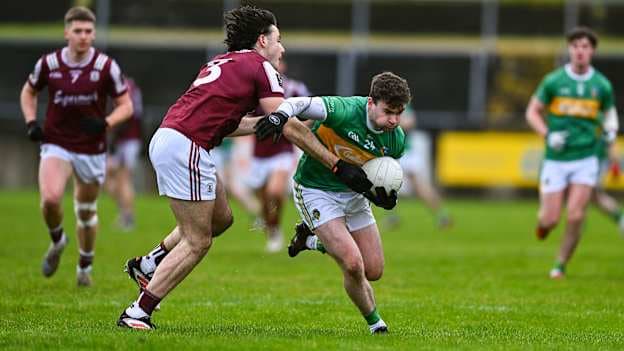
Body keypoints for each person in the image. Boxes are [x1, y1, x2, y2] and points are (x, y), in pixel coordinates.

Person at [117, 6, 374, 330]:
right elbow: (291, 126)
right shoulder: (260, 66)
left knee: (221, 219)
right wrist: (337, 166)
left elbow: (229, 123)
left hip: (175, 139)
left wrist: (263, 123)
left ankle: (149, 263)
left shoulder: (222, 62)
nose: (282, 47)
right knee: (198, 240)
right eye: (278, 40)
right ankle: (138, 312)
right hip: (187, 147)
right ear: (262, 40)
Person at [259, 72, 410, 334]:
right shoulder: (344, 110)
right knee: (352, 264)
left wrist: (384, 197)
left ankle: (310, 240)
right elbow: (299, 103)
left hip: (353, 198)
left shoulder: (395, 140)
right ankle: (376, 323)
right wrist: (280, 114)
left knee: (373, 270)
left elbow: (379, 174)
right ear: (370, 103)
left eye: (399, 113)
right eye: (388, 112)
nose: (394, 120)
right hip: (315, 189)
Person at [19, 6, 133, 287]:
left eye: (88, 32)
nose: (83, 36)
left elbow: (126, 105)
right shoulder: (49, 64)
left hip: (91, 147)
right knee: (51, 198)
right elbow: (29, 91)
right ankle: (58, 240)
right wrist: (32, 121)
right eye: (78, 31)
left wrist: (105, 123)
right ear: (66, 32)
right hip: (56, 142)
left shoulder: (106, 66)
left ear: (93, 34)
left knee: (85, 210)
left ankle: (85, 265)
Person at [526, 27, 618, 279]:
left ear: (592, 51)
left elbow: (609, 113)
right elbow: (532, 112)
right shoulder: (554, 81)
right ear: (570, 50)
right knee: (551, 219)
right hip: (556, 159)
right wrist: (547, 135)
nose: (580, 51)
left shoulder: (601, 85)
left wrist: (611, 129)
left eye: (585, 46)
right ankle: (544, 225)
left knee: (577, 214)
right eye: (576, 46)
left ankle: (560, 265)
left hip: (586, 158)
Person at [248, 60, 311, 252]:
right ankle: (271, 226)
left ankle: (274, 231)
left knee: (275, 192)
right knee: (265, 201)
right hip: (259, 154)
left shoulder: (295, 89)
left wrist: (294, 130)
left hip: (283, 151)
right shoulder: (254, 92)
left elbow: (310, 115)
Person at [385, 105, 452, 229]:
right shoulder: (388, 106)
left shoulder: (403, 107)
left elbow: (409, 123)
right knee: (388, 186)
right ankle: (392, 217)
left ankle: (442, 215)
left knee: (420, 188)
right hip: (395, 153)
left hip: (406, 153)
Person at [106, 76, 143, 231]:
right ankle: (126, 214)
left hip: (126, 140)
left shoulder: (124, 88)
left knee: (123, 178)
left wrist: (112, 137)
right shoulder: (131, 86)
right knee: (110, 178)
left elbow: (126, 115)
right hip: (128, 139)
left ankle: (128, 217)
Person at [592, 128, 624, 232]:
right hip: (590, 163)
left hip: (594, 165)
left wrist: (615, 164)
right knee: (593, 197)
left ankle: (620, 218)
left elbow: (611, 144)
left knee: (594, 197)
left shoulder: (602, 123)